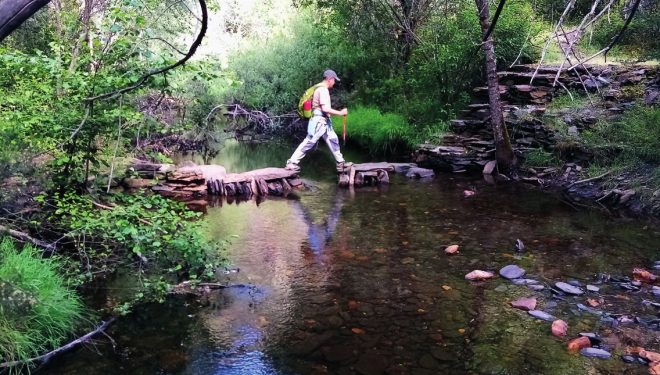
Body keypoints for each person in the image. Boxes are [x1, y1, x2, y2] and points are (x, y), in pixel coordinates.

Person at [285, 69, 352, 173]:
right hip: (319, 122)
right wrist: (341, 113)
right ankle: (291, 163)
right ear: (330, 79)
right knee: (309, 142)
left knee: (333, 140)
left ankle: (341, 163)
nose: (334, 83)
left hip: (324, 122)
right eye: (334, 80)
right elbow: (325, 109)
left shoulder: (319, 88)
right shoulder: (323, 90)